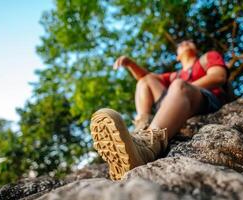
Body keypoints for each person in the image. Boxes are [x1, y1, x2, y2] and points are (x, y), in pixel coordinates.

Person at [90, 40, 228, 180]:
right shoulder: (176, 75)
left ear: (196, 48)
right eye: (180, 44)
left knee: (178, 85)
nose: (184, 43)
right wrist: (130, 64)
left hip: (206, 100)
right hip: (177, 96)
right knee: (145, 81)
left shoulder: (207, 57)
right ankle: (141, 130)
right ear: (177, 57)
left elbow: (219, 76)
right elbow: (146, 77)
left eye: (188, 42)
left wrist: (182, 88)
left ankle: (149, 146)